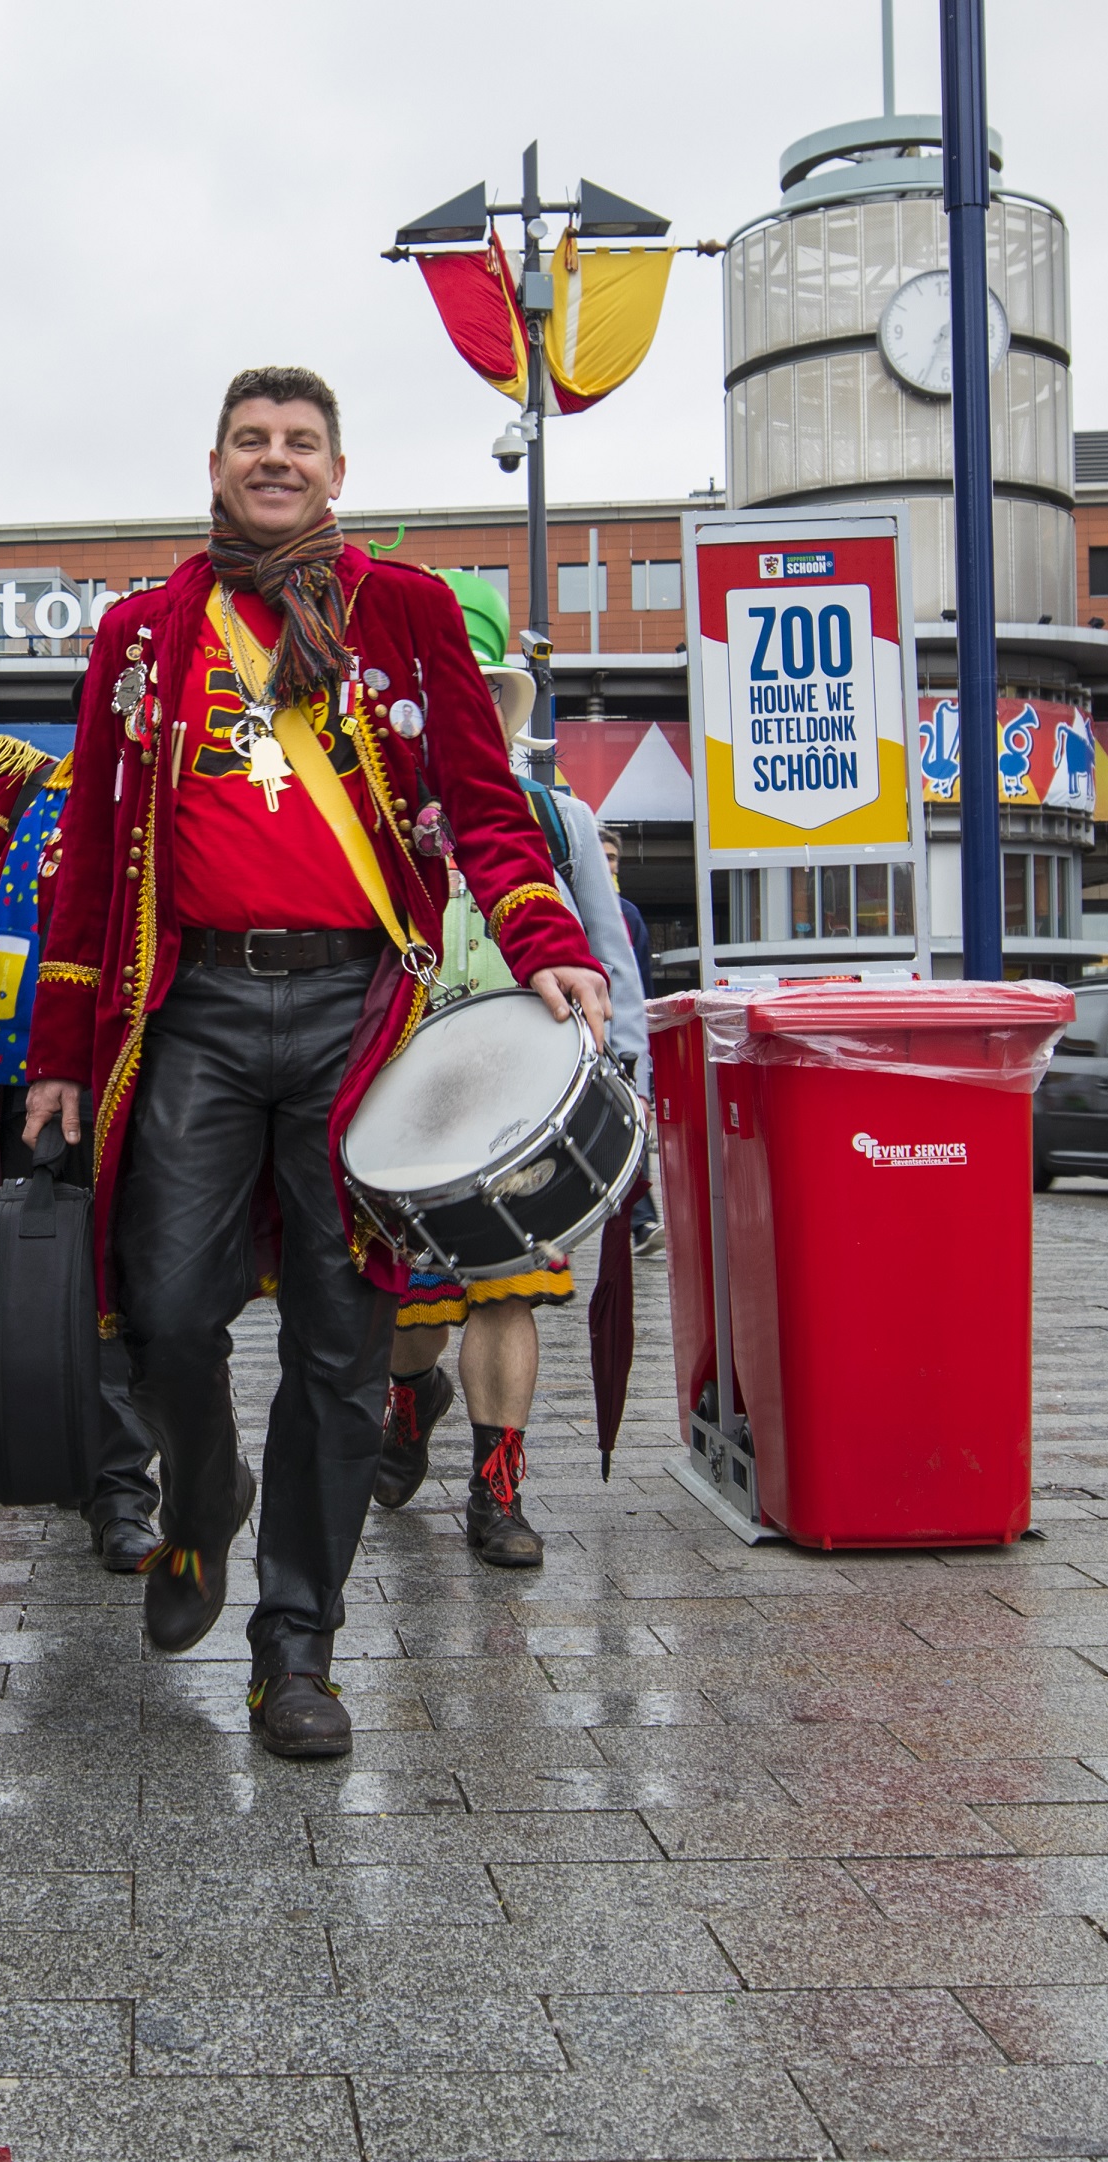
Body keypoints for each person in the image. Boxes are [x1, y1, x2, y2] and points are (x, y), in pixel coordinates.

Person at [24, 368, 607, 1759]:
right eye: (251, 441)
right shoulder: (141, 633)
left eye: (298, 444)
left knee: (341, 1349)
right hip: (197, 1012)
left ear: (335, 469)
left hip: (360, 1013)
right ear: (215, 460)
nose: (273, 461)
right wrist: (57, 1040)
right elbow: (97, 856)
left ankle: (296, 1647)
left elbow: (482, 799)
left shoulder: (402, 613)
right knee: (160, 1310)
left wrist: (541, 936)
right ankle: (202, 1489)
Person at [370, 572, 646, 1567]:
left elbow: (612, 967)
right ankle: (411, 1405)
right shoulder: (363, 808)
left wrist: (632, 1102)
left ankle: (497, 1491)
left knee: (506, 1293)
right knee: (406, 1317)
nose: (466, 706)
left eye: (484, 690)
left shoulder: (554, 817)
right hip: (395, 1104)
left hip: (521, 1104)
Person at [0, 730, 162, 1567]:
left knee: (151, 1284)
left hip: (162, 1065)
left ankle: (140, 1470)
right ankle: (105, 1476)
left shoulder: (186, 781)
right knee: (65, 1276)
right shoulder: (20, 792)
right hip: (34, 1071)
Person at [601, 830, 663, 1256]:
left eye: (614, 860)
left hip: (616, 1040)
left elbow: (641, 991)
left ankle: (641, 1221)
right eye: (601, 857)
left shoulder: (629, 917)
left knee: (625, 1123)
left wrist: (644, 1076)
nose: (608, 867)